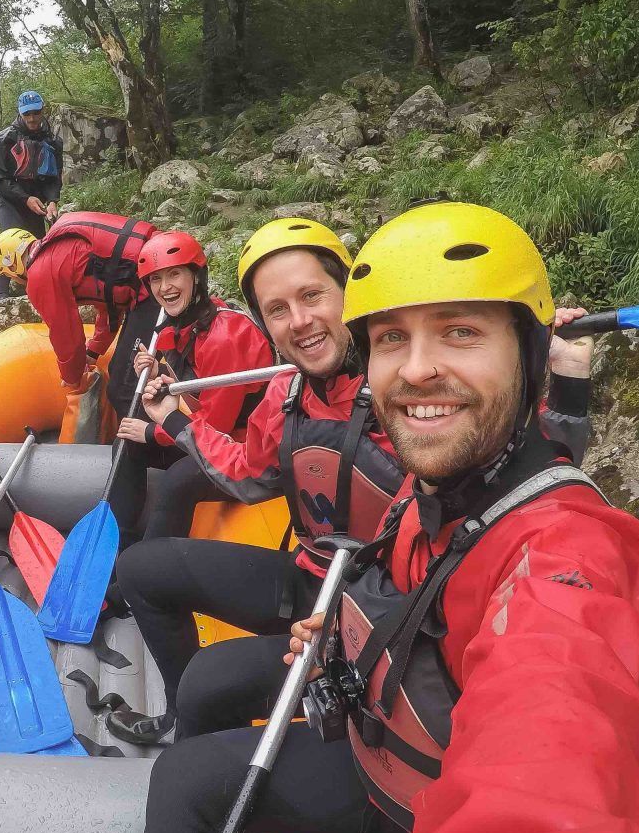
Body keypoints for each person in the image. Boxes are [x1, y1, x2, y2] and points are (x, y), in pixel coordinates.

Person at [7, 203, 639, 833]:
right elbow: (364, 559)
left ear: (526, 360)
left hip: (434, 810)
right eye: (393, 339)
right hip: (374, 739)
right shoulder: (431, 492)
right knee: (186, 770)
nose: (418, 370)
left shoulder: (564, 555)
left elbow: (556, 719)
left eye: (460, 333)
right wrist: (345, 636)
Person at [107, 216, 594, 745]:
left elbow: (532, 469)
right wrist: (174, 419)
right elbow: (249, 480)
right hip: (311, 573)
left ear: (351, 296)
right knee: (140, 569)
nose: (300, 321)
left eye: (313, 295)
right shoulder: (286, 394)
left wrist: (565, 380)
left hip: (379, 605)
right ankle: (183, 724)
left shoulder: (407, 392)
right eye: (277, 309)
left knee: (212, 681)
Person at [106, 230, 272, 550]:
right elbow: (197, 391)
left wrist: (153, 432)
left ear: (196, 276)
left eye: (174, 274)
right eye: (155, 279)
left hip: (244, 448)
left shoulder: (224, 335)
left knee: (178, 480)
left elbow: (215, 428)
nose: (164, 288)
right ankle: (117, 545)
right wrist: (159, 371)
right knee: (126, 445)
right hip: (217, 438)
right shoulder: (187, 327)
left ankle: (149, 570)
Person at [0, 210, 163, 424]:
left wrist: (72, 378)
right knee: (121, 374)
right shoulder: (61, 244)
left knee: (124, 388)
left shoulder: (40, 275)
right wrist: (93, 351)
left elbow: (66, 334)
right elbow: (109, 304)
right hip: (159, 267)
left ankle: (146, 450)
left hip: (155, 289)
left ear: (13, 267)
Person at [0, 89, 64, 241]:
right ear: (20, 113)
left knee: (36, 251)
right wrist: (25, 198)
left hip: (37, 206)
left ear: (42, 110)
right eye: (27, 114)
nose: (32, 118)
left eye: (36, 113)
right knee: (14, 246)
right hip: (11, 202)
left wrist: (52, 201)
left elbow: (54, 177)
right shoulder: (5, 139)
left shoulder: (52, 142)